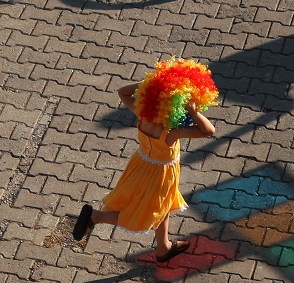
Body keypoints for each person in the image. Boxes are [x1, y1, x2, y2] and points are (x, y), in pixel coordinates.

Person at [73, 59, 219, 262]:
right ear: (175, 106)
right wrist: (194, 111)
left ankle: (163, 247)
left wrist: (150, 84)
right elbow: (208, 131)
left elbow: (123, 92)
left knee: (164, 205)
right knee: (146, 211)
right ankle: (96, 217)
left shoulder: (142, 115)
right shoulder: (170, 132)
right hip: (161, 175)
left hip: (140, 165)